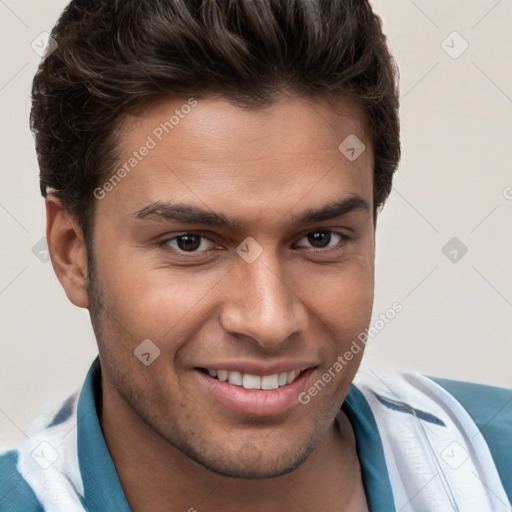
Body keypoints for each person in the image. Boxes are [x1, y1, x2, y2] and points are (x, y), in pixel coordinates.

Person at [0, 0, 511, 510]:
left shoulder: (494, 463)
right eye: (190, 243)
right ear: (73, 255)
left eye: (319, 238)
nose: (269, 321)